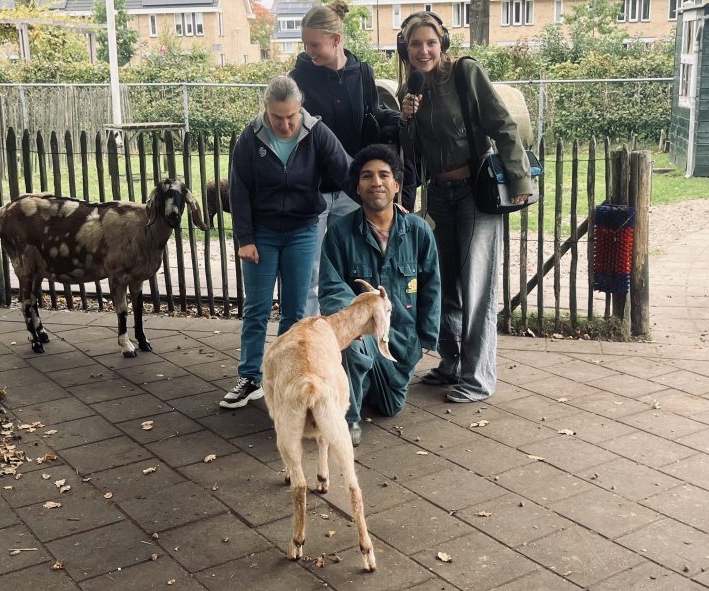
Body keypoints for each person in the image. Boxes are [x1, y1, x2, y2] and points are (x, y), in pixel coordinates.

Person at [396, 11, 532, 403]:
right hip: (438, 195)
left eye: (430, 43)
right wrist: (406, 121)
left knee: (476, 288)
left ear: (443, 45)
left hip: (475, 192)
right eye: (416, 45)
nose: (423, 51)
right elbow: (412, 156)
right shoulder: (413, 88)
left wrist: (519, 178)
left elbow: (502, 124)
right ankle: (451, 362)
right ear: (406, 50)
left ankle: (478, 377)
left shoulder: (465, 74)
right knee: (442, 283)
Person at [220, 75, 352, 409]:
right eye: (278, 117)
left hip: (303, 231)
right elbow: (239, 192)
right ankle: (251, 377)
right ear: (266, 109)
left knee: (296, 311)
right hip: (262, 235)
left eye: (292, 115)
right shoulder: (250, 138)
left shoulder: (316, 133)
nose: (286, 123)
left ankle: (290, 376)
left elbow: (346, 171)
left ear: (300, 108)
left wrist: (381, 196)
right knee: (257, 308)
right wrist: (245, 239)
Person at [290, 0, 408, 318]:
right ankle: (305, 349)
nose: (308, 51)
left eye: (315, 45)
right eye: (306, 44)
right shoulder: (298, 77)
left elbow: (373, 117)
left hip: (350, 191)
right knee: (308, 274)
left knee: (354, 269)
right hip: (312, 191)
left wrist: (402, 120)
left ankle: (350, 346)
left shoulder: (362, 72)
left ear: (336, 40)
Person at [319, 144, 440, 446]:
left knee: (390, 408)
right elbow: (332, 287)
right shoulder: (339, 233)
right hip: (362, 336)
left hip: (401, 345)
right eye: (367, 176)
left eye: (384, 175)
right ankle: (347, 421)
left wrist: (426, 339)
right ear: (357, 187)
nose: (376, 182)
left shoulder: (418, 232)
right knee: (352, 347)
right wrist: (354, 320)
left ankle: (363, 381)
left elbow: (432, 286)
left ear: (397, 185)